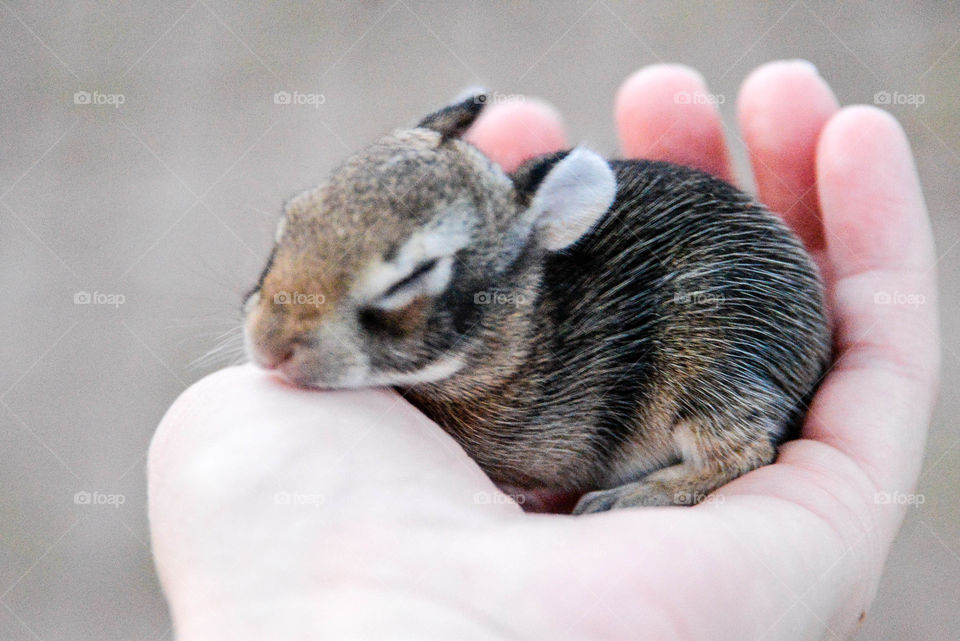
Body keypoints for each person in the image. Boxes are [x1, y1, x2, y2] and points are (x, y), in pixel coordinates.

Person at [147, 61, 940, 640]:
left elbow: (560, 440)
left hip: (724, 303)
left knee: (711, 329)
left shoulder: (537, 374)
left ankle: (719, 458)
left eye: (402, 288)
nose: (275, 337)